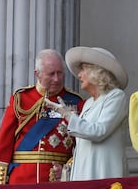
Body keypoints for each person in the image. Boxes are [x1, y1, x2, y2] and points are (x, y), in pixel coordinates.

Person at [0, 49, 83, 185]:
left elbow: (82, 148)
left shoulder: (76, 102)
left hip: (57, 180)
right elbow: (4, 143)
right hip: (22, 179)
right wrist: (0, 182)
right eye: (51, 74)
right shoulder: (20, 99)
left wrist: (68, 168)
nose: (56, 79)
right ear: (37, 74)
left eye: (60, 73)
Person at [45, 46, 128, 181]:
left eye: (83, 70)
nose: (79, 75)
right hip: (84, 179)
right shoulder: (88, 103)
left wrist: (68, 115)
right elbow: (83, 148)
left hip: (104, 177)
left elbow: (99, 132)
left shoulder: (116, 97)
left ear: (96, 72)